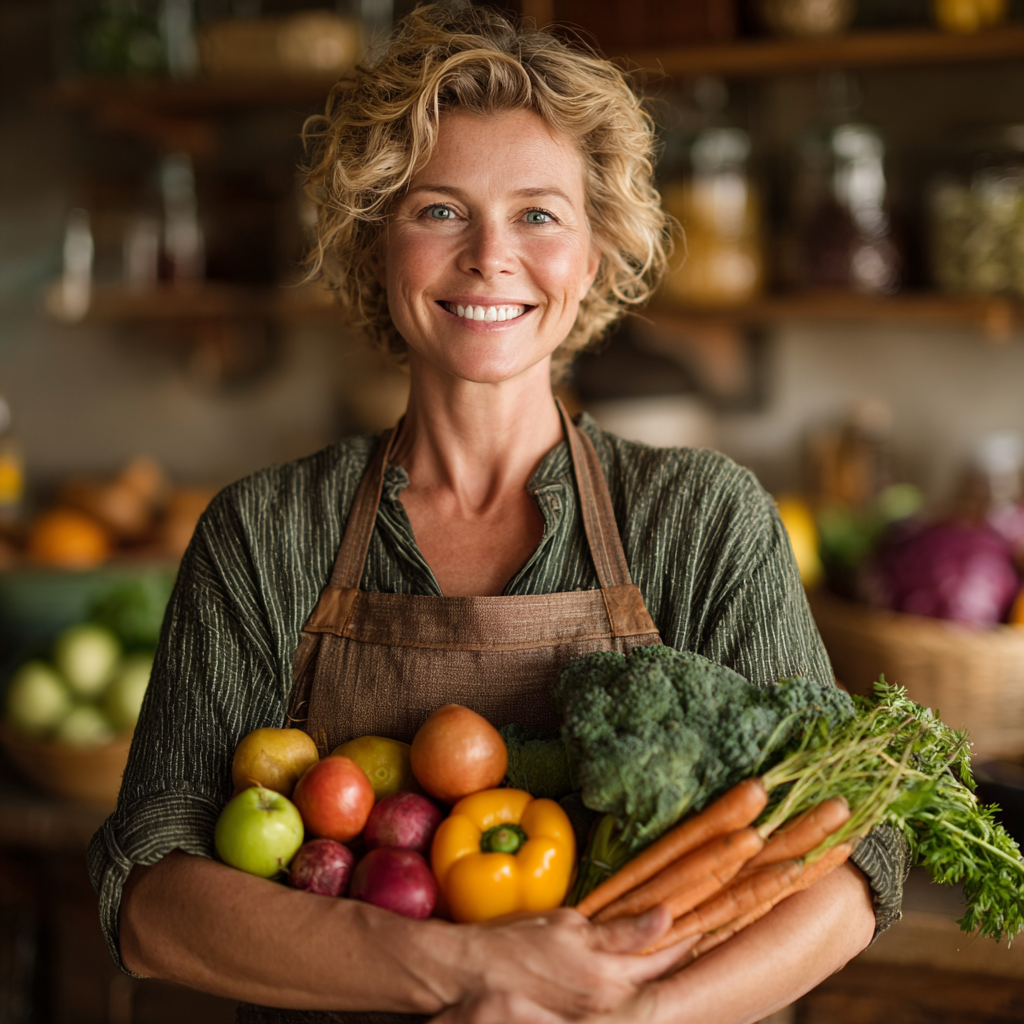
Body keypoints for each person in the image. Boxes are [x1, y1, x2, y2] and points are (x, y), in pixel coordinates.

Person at [88, 6, 907, 1022]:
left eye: (537, 213)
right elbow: (151, 900)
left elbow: (850, 856)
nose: (489, 255)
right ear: (373, 244)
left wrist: (624, 1018)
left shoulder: (702, 519)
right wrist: (469, 970)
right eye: (439, 210)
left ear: (594, 256)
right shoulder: (264, 532)